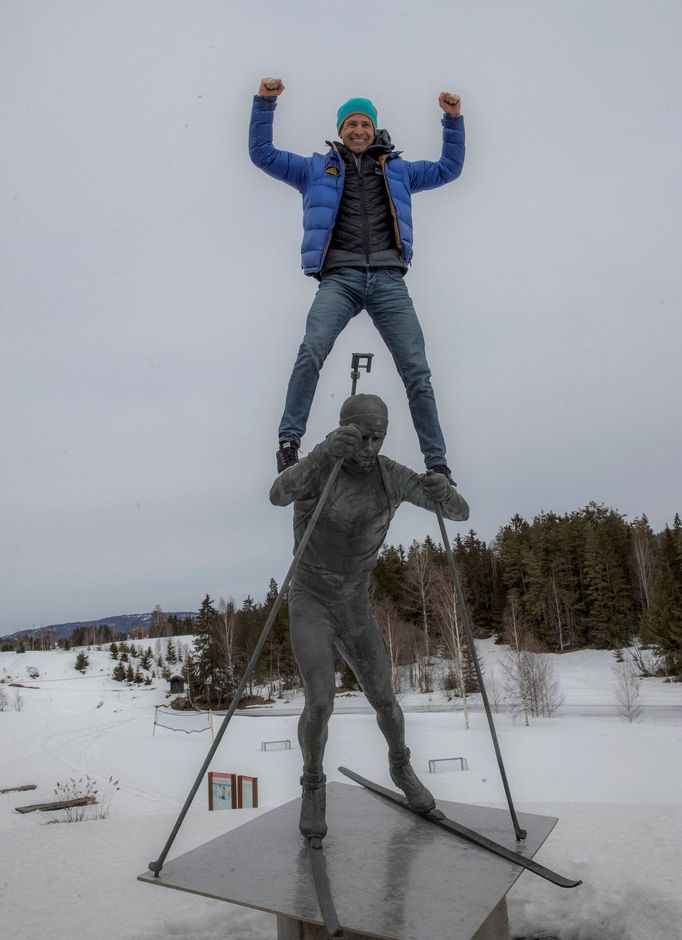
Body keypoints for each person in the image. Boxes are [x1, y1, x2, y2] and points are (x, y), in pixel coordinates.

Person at [269, 394, 469, 840]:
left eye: (378, 436)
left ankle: (401, 767)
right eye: (362, 435)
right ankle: (313, 784)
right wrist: (322, 452)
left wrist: (445, 492)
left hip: (354, 604)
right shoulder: (323, 466)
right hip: (312, 600)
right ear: (345, 430)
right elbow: (277, 494)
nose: (369, 446)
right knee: (320, 701)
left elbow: (459, 513)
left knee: (386, 701)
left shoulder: (390, 476)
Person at [250, 79, 465, 481]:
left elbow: (448, 169)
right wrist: (265, 103)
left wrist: (452, 121)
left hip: (387, 279)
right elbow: (262, 154)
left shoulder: (398, 171)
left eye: (365, 124)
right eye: (351, 124)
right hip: (340, 278)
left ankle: (437, 462)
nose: (358, 131)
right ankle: (288, 443)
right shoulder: (315, 169)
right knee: (312, 349)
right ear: (340, 130)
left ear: (375, 129)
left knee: (416, 370)